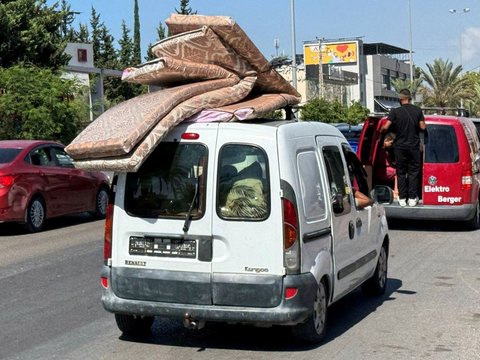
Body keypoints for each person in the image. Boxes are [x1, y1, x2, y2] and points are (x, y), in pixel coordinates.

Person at [380, 89, 426, 207]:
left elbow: (386, 126)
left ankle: (401, 198)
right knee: (413, 173)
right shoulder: (418, 110)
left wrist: (381, 131)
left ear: (400, 99)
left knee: (400, 173)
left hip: (399, 148)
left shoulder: (395, 112)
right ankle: (412, 198)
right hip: (413, 147)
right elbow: (422, 127)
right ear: (410, 99)